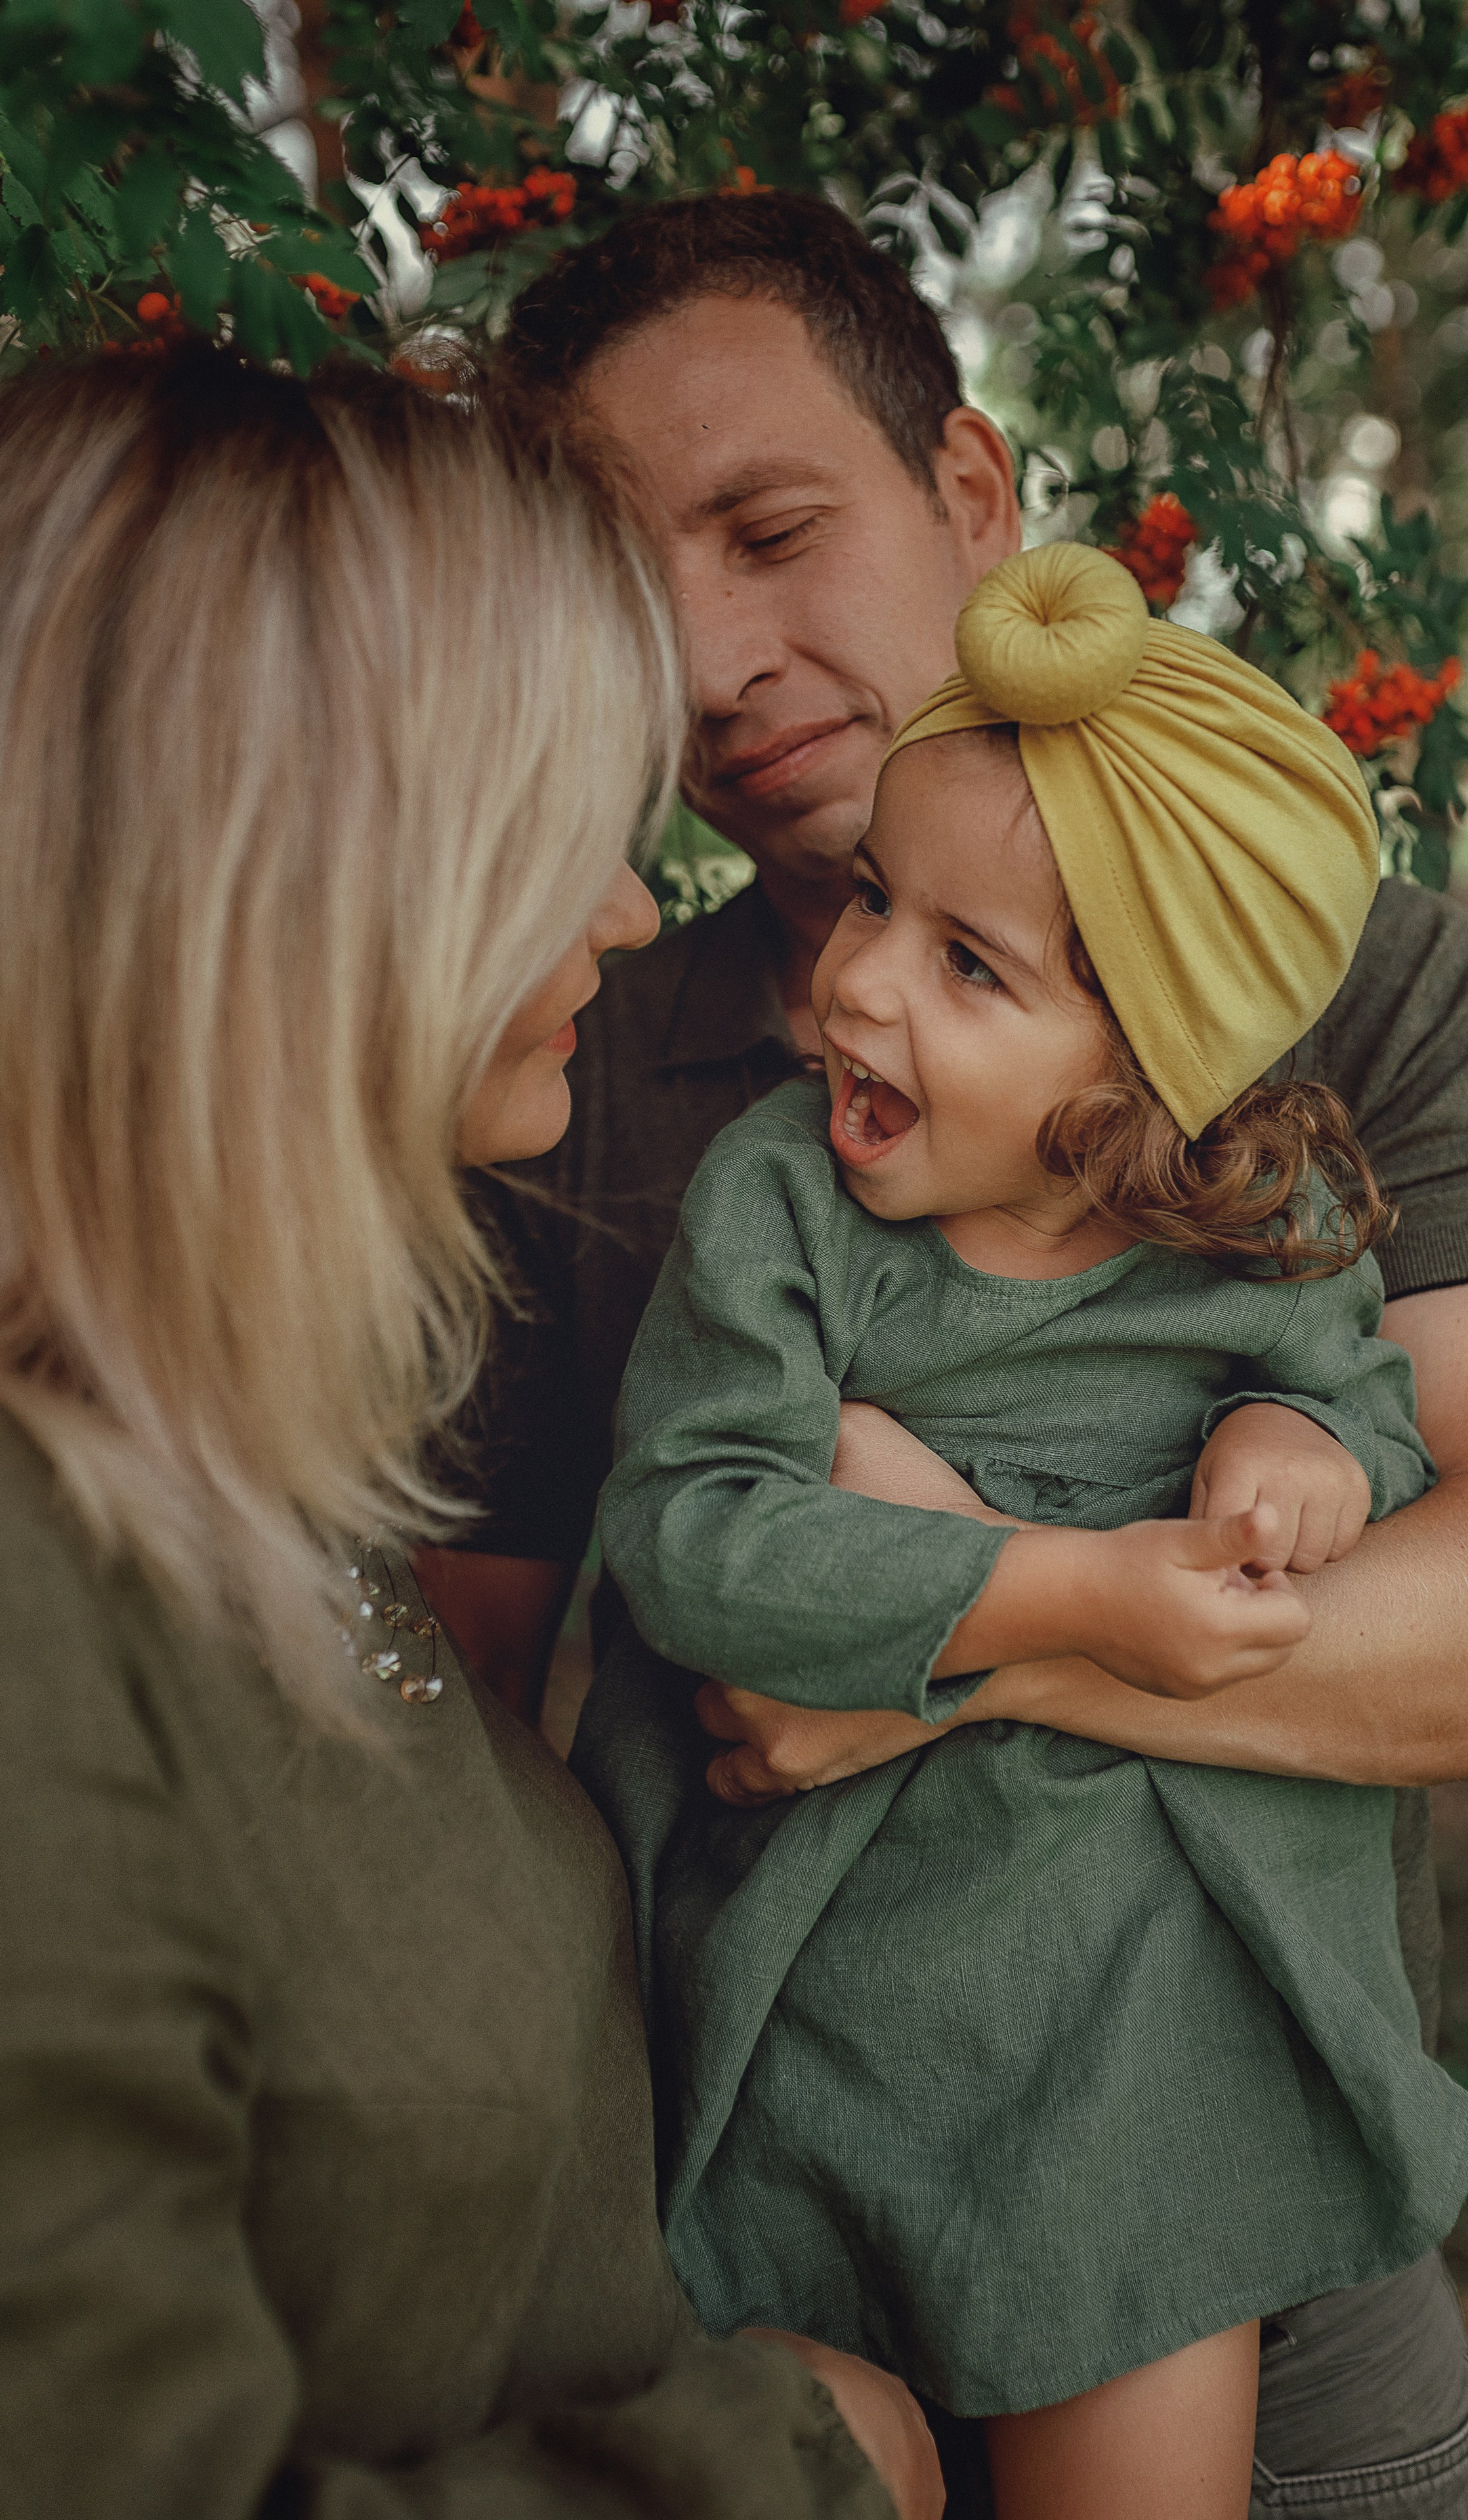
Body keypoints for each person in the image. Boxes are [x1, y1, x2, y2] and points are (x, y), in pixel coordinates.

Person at [415, 192, 1468, 2515]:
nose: (704, 654)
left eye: (771, 530)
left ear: (973, 500)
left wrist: (952, 1627)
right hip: (768, 2208)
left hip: (1235, 2210)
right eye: (624, 583)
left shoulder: (1327, 994)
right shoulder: (575, 1066)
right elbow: (476, 1747)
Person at [0, 345, 941, 2520]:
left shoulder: (241, 1456)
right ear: (292, 886)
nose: (628, 909)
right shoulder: (34, 1598)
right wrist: (796, 2463)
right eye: (552, 837)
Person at [573, 540, 1468, 2520]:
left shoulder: (1264, 1233)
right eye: (882, 904)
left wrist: (1293, 1432)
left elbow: (1375, 1427)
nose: (862, 982)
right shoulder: (781, 1208)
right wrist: (1076, 1585)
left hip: (1138, 2064)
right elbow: (695, 1534)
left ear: (1152, 1085)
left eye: (969, 966)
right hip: (831, 2001)